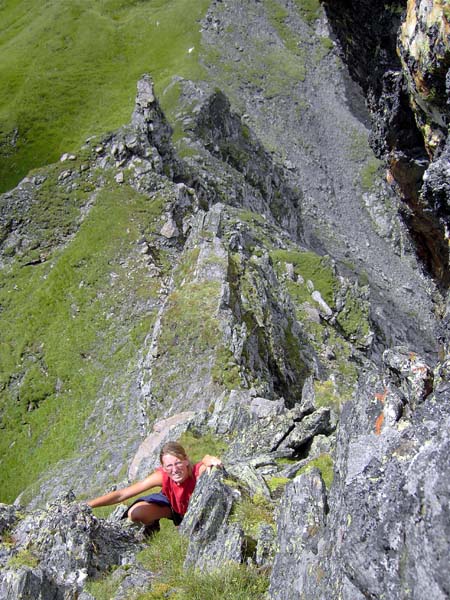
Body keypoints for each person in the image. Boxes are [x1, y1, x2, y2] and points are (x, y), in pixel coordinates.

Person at [87, 441, 222, 536]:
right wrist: (88, 505)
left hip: (190, 510)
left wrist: (209, 459)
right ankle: (151, 528)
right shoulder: (161, 476)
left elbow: (205, 462)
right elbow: (122, 494)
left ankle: (180, 524)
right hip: (172, 506)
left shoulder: (197, 472)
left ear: (186, 460)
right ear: (163, 467)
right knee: (135, 513)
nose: (174, 470)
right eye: (169, 466)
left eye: (178, 463)